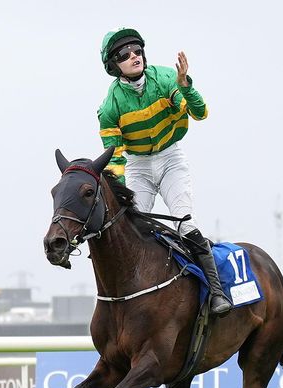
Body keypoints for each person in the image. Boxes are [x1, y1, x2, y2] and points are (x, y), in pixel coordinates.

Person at [96, 27, 232, 316]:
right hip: (138, 166)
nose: (134, 56)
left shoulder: (167, 78)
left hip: (171, 158)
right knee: (131, 228)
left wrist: (185, 86)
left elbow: (200, 113)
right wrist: (120, 193)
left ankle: (217, 292)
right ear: (113, 65)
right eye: (124, 54)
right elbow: (115, 157)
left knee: (184, 223)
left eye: (137, 50)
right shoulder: (110, 106)